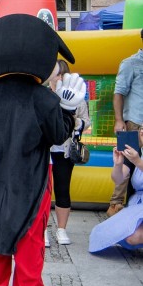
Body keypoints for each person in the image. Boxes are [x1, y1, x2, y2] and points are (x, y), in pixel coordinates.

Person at [0, 14, 85, 286]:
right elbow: (58, 135)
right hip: (29, 182)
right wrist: (67, 111)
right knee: (29, 240)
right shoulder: (43, 98)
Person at [47, 59, 90, 246]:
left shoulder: (76, 96)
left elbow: (86, 121)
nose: (58, 78)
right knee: (42, 190)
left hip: (65, 150)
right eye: (56, 74)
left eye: (62, 74)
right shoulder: (42, 94)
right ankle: (41, 229)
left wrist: (74, 121)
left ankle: (62, 229)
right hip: (44, 150)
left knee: (62, 188)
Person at [89, 137, 143, 252]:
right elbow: (118, 179)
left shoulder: (136, 157)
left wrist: (138, 161)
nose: (142, 131)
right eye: (142, 128)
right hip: (137, 204)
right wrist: (118, 164)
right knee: (120, 235)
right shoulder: (136, 152)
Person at [111, 30, 143, 217]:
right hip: (135, 123)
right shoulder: (131, 63)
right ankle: (115, 205)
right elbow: (118, 93)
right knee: (128, 165)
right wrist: (118, 120)